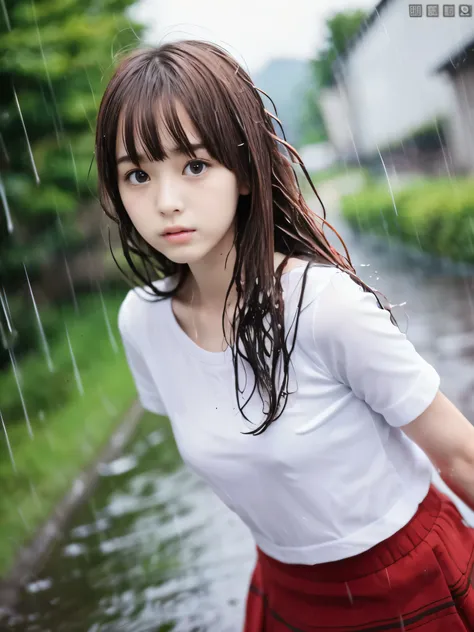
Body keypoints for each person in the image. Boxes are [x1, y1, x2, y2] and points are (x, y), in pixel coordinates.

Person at [95, 40, 474, 631]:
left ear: (244, 172)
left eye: (194, 165)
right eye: (138, 174)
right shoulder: (142, 321)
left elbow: (458, 454)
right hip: (284, 592)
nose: (166, 202)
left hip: (406, 579)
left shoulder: (324, 307)